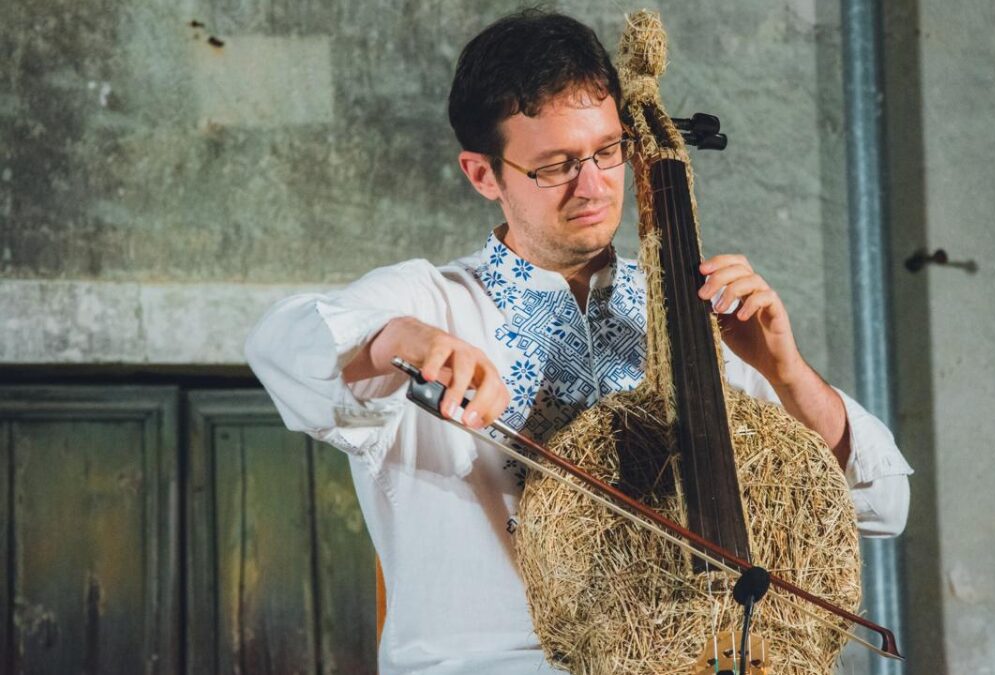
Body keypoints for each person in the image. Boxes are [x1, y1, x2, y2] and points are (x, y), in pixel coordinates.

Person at [245, 9, 913, 674]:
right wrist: (398, 337)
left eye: (606, 151)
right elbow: (282, 347)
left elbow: (882, 502)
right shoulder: (431, 300)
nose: (593, 186)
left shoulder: (686, 321)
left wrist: (786, 369)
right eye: (557, 166)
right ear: (484, 175)